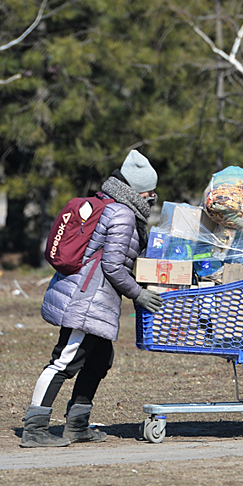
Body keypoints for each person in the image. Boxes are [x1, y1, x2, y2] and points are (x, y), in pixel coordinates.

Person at [21, 150, 164, 448]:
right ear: (138, 190)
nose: (152, 196)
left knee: (99, 359)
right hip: (87, 300)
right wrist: (138, 293)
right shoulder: (123, 213)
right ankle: (34, 428)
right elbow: (113, 265)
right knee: (65, 360)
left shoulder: (110, 205)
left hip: (92, 298)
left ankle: (77, 425)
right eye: (150, 190)